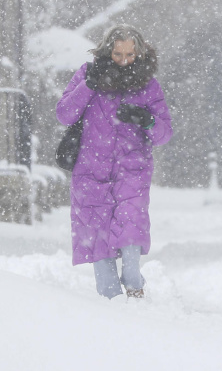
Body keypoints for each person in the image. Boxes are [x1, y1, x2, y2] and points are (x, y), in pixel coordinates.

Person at [56, 24, 173, 300]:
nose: (123, 60)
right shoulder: (87, 74)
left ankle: (134, 283)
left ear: (140, 53)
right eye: (118, 53)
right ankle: (110, 300)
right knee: (97, 235)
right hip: (90, 171)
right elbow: (64, 114)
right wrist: (89, 86)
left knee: (131, 225)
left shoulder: (148, 85)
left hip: (132, 170)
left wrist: (147, 120)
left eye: (130, 54)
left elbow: (164, 133)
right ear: (108, 51)